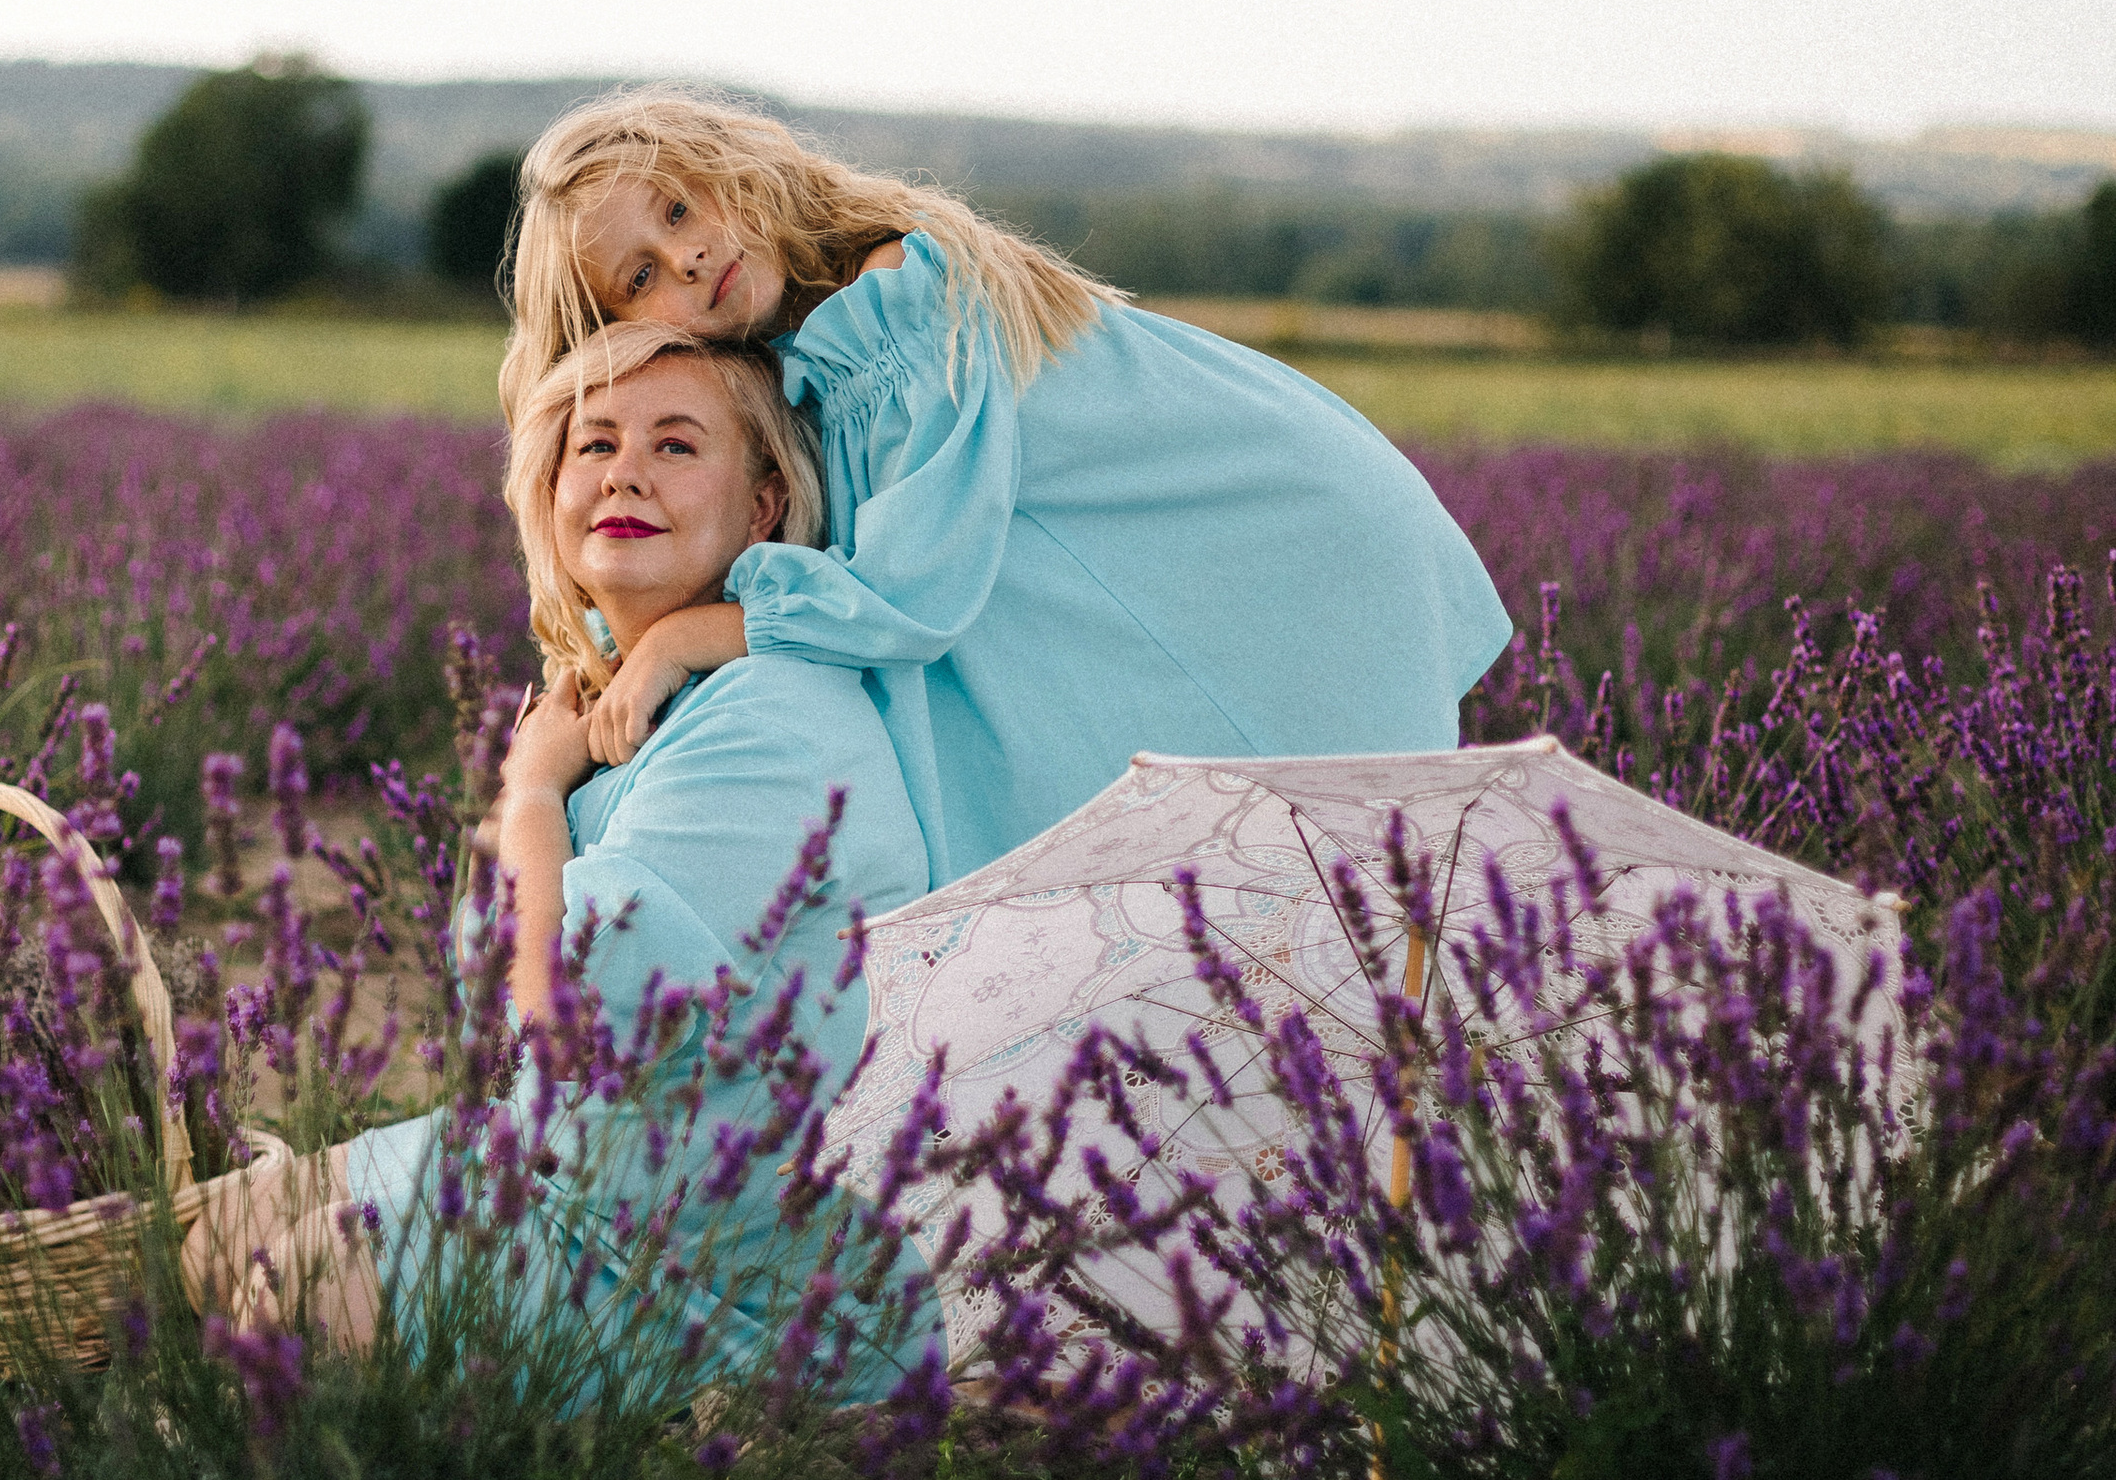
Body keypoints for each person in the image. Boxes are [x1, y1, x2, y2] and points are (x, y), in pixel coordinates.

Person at [502, 87, 1513, 887]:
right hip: (1206, 534)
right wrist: (606, 651)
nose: (687, 257)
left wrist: (676, 640)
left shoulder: (894, 294)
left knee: (1310, 844)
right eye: (639, 278)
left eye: (679, 208)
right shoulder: (808, 348)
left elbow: (905, 593)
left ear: (728, 170)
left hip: (1273, 531)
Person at [185, 325, 929, 1364]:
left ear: (762, 505)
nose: (626, 471)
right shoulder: (624, 688)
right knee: (209, 1241)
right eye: (595, 444)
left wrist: (529, 792)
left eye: (676, 446)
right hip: (562, 1148)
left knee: (298, 1291)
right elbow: (489, 960)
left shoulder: (765, 713)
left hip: (694, 1238)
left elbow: (551, 1007)